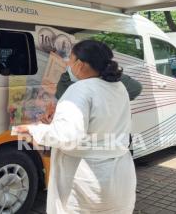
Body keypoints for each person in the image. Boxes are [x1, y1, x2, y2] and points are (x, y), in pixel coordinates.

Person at [15, 40, 136, 214]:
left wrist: (34, 129)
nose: (68, 65)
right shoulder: (118, 87)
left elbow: (68, 137)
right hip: (118, 177)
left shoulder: (80, 89)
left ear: (80, 64)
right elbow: (99, 124)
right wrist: (56, 121)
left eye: (70, 60)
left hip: (85, 182)